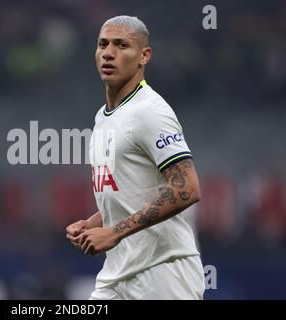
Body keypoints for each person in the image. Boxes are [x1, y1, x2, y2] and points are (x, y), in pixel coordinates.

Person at [66, 15, 205, 300]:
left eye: (121, 45)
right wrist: (95, 223)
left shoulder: (151, 111)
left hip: (164, 273)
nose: (108, 53)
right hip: (118, 274)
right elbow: (132, 191)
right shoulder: (103, 117)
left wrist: (113, 232)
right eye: (102, 44)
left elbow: (186, 188)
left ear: (144, 56)